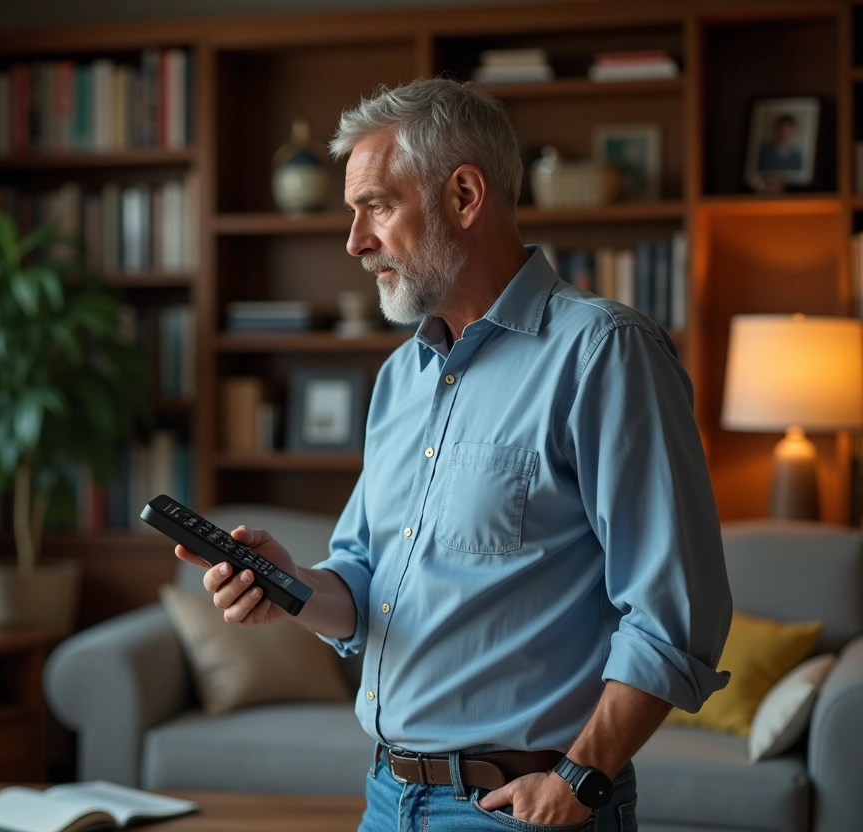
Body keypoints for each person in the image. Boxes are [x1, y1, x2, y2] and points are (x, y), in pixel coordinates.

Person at [174, 78, 732, 831]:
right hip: (386, 798)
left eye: (376, 205)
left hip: (518, 808)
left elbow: (674, 613)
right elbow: (367, 588)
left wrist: (580, 780)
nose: (354, 241)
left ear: (465, 195)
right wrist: (291, 586)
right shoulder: (401, 377)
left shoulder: (603, 353)